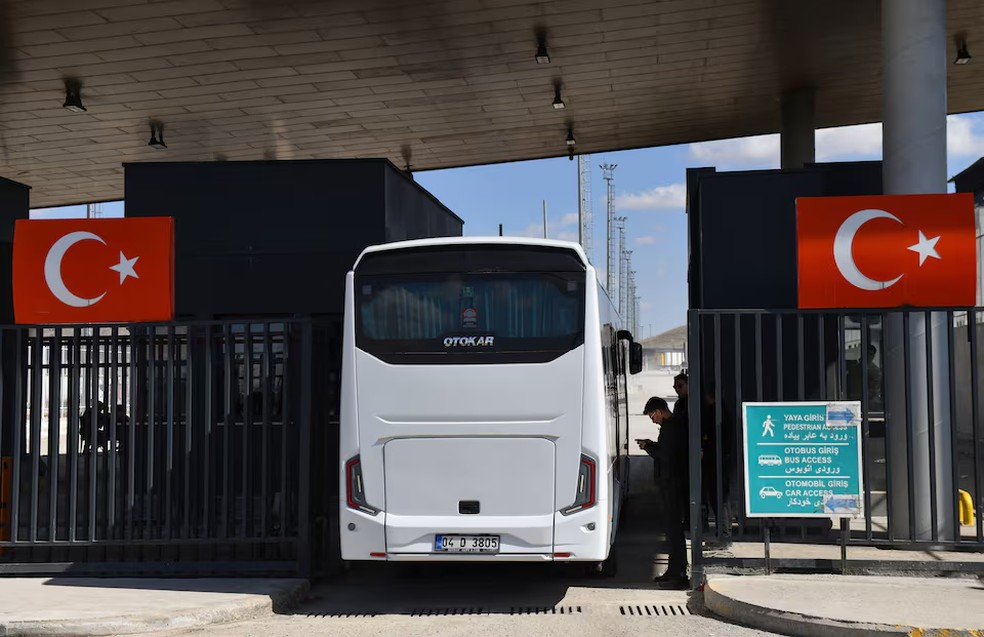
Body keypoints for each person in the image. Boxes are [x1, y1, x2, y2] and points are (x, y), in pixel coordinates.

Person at [636, 396, 689, 589]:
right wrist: (651, 443)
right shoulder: (672, 426)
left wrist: (648, 447)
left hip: (672, 485)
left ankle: (678, 573)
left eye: (652, 416)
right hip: (672, 484)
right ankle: (673, 570)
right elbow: (668, 451)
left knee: (674, 531)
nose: (652, 420)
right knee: (672, 531)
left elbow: (666, 457)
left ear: (658, 411)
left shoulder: (671, 428)